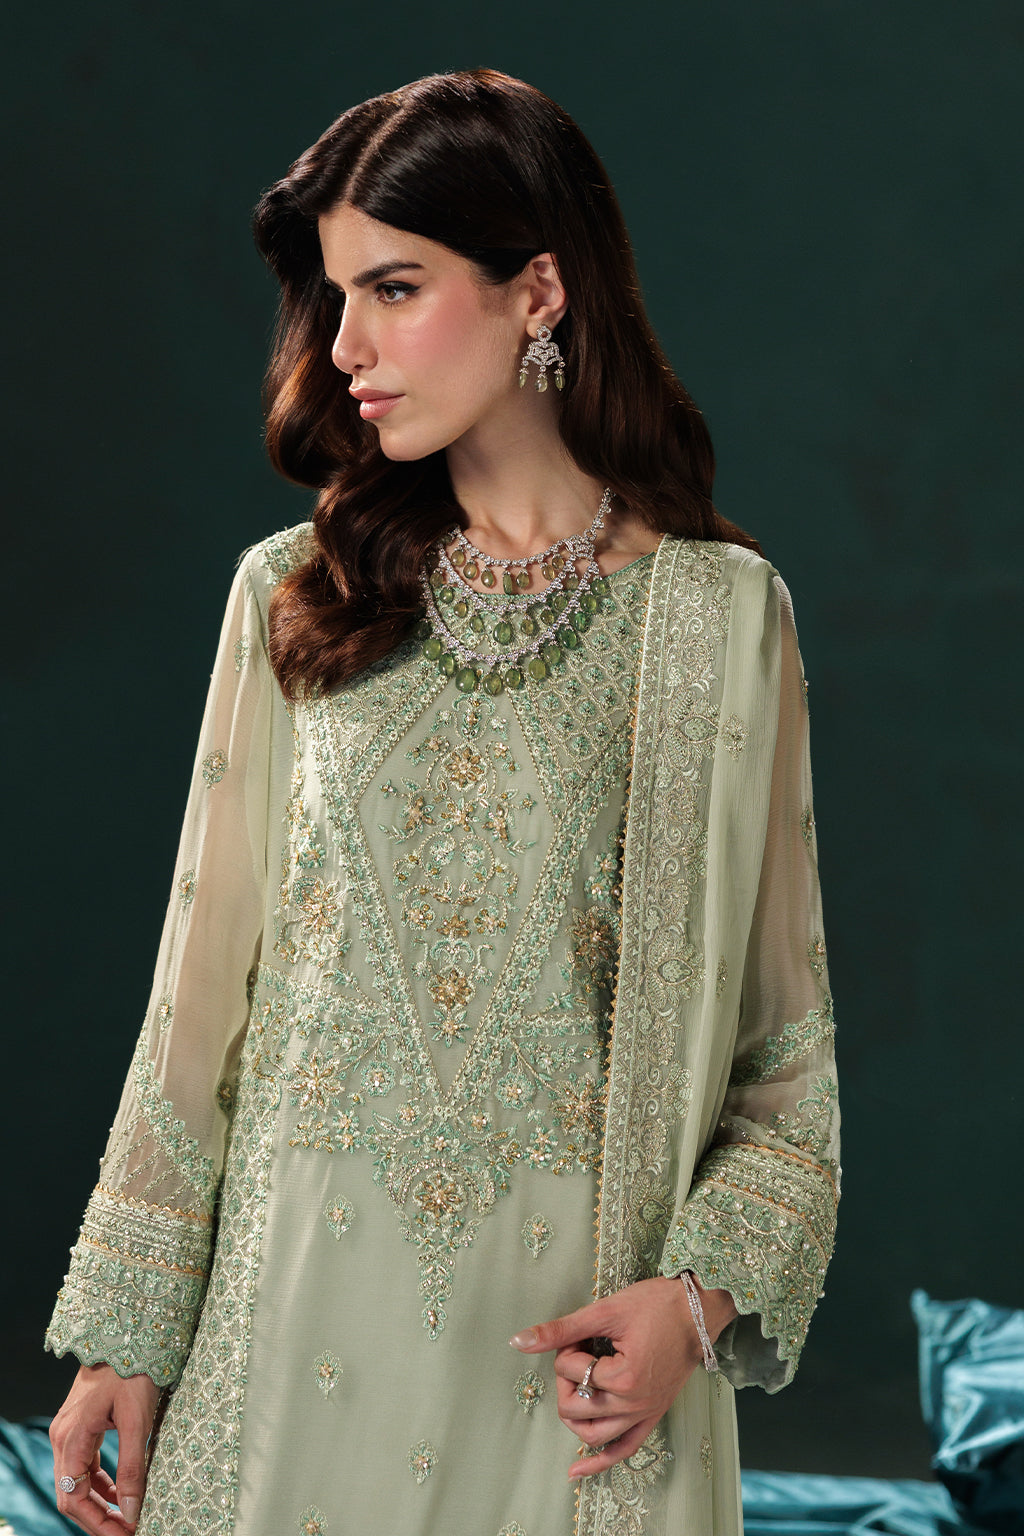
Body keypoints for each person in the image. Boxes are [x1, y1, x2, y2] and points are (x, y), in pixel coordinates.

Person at [45, 68, 839, 1536]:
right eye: (333, 296)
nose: (343, 346)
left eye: (394, 289)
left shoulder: (720, 621)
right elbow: (194, 1012)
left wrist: (693, 1304)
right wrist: (124, 1336)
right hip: (277, 1370)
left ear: (538, 289)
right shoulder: (293, 598)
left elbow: (785, 1060)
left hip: (578, 1401)